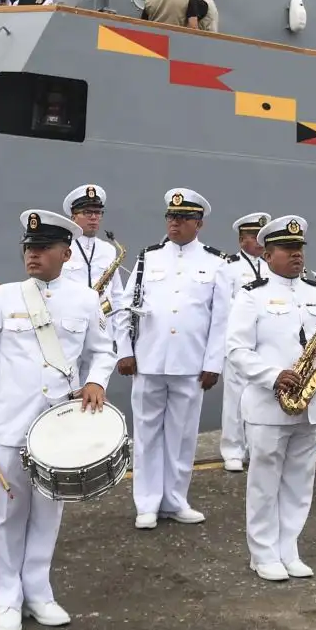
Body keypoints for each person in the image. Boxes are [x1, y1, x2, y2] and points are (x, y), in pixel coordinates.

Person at [0, 209, 115, 630]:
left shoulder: (85, 298)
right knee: (7, 515)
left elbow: (104, 349)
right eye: (29, 247)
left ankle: (39, 592)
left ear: (66, 253)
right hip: (11, 423)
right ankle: (6, 599)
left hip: (60, 425)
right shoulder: (4, 297)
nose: (33, 255)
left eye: (43, 248)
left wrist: (96, 381)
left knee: (48, 513)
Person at [225, 215, 316, 582]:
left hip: (312, 404)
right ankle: (262, 553)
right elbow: (236, 349)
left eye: (299, 249)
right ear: (268, 253)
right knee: (264, 481)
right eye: (288, 250)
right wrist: (274, 375)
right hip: (268, 405)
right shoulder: (251, 295)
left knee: (300, 479)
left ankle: (288, 547)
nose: (296, 256)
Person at [116, 188, 230, 529]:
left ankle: (176, 500)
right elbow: (126, 307)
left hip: (191, 363)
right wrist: (124, 351)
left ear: (199, 224)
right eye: (171, 217)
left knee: (182, 436)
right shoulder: (147, 257)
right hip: (148, 361)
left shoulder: (215, 262)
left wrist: (213, 363)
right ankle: (147, 504)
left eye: (183, 219)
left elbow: (222, 318)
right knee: (147, 434)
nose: (175, 223)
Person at [219, 210, 273, 472]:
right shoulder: (229, 267)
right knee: (235, 397)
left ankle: (255, 446)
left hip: (265, 342)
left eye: (262, 236)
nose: (259, 241)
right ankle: (232, 449)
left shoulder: (272, 265)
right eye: (253, 236)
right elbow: (223, 303)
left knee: (261, 396)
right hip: (239, 340)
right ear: (242, 240)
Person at [62, 184, 122, 298]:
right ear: (73, 217)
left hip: (104, 314)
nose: (94, 217)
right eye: (87, 212)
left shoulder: (109, 250)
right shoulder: (62, 247)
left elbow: (117, 294)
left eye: (98, 212)